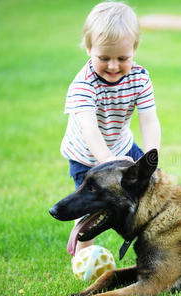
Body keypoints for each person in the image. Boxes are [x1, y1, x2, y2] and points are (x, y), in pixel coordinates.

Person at [60, 1, 161, 256]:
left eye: (122, 58)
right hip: (88, 155)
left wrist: (151, 157)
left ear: (134, 50)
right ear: (88, 50)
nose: (114, 66)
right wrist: (107, 160)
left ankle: (156, 242)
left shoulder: (139, 77)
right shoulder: (83, 85)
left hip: (122, 146)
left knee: (153, 189)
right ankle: (83, 258)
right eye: (104, 58)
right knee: (91, 207)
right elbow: (89, 128)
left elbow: (148, 119)